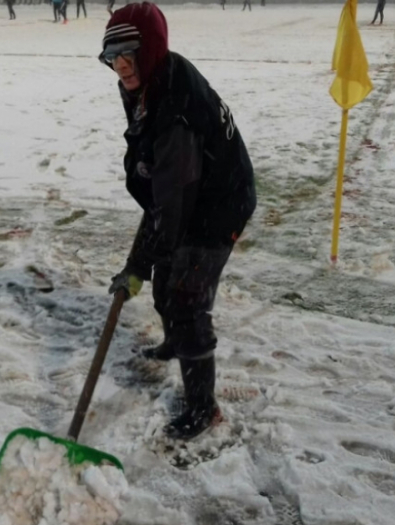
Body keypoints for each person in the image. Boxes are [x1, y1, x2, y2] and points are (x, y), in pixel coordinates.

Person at [101, 3, 256, 440]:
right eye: (112, 56)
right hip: (190, 188)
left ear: (151, 50)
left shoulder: (176, 116)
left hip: (219, 203)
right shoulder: (152, 79)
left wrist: (135, 265)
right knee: (166, 272)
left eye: (129, 53)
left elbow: (170, 210)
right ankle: (174, 343)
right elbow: (162, 196)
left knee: (187, 296)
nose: (121, 65)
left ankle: (204, 409)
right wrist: (144, 263)